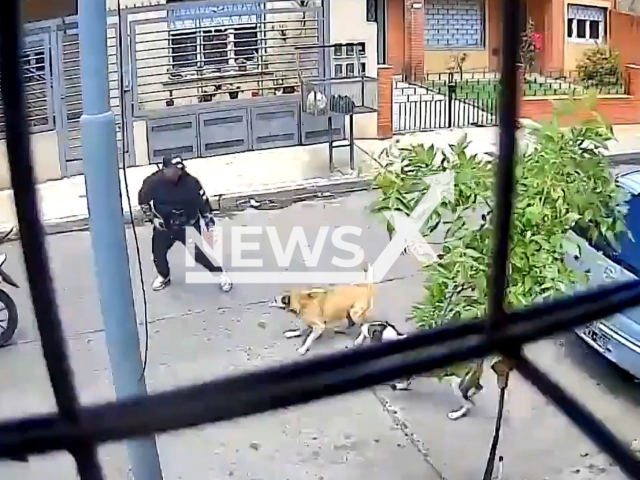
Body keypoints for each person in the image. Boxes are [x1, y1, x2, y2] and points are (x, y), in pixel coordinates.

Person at [138, 155, 232, 292]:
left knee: (198, 254)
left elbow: (203, 203)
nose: (178, 173)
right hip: (165, 225)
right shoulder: (152, 183)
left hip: (188, 224)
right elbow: (143, 201)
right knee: (158, 253)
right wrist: (153, 218)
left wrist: (209, 224)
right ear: (165, 169)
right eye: (175, 170)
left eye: (180, 169)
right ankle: (164, 276)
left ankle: (221, 274)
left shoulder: (191, 182)